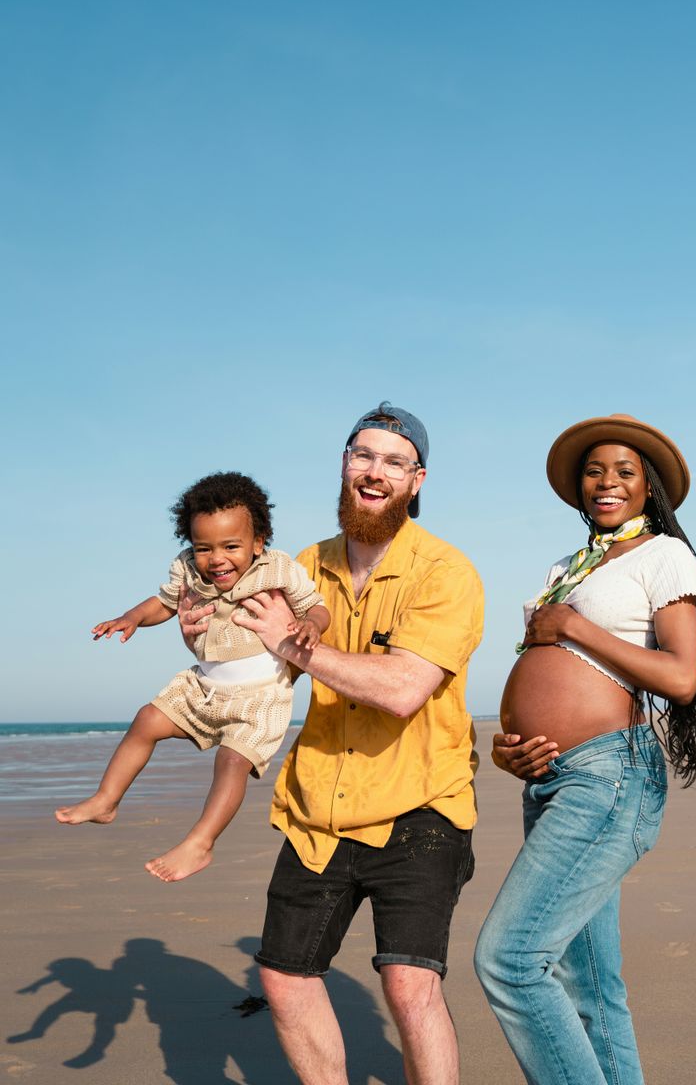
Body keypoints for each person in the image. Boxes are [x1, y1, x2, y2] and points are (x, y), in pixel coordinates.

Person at [182, 403, 484, 1085]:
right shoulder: (298, 567)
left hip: (423, 806)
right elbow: (242, 658)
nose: (374, 471)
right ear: (345, 465)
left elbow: (405, 687)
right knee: (284, 979)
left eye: (393, 461)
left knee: (409, 984)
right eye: (362, 455)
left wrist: (287, 640)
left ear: (417, 480)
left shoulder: (446, 572)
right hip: (319, 806)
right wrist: (203, 634)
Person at [474, 413, 696, 1085]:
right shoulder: (565, 567)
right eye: (595, 471)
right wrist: (508, 752)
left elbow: (681, 677)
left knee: (511, 960)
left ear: (648, 487)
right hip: (548, 780)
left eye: (624, 472)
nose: (607, 482)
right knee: (590, 987)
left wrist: (572, 624)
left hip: (605, 778)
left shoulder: (664, 556)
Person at [55, 471, 330, 884]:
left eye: (231, 546)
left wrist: (313, 625)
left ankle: (201, 842)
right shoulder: (188, 570)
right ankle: (106, 800)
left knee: (232, 761)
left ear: (259, 542)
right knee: (147, 718)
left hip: (260, 699)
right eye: (204, 548)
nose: (216, 558)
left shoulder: (278, 570)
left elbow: (316, 605)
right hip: (204, 687)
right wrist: (131, 618)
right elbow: (162, 604)